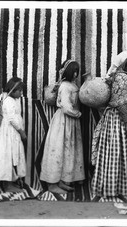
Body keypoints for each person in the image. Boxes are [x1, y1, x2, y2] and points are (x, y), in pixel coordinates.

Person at [91, 51, 127, 199]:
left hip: (111, 117)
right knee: (118, 150)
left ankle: (109, 185)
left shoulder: (114, 76)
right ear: (124, 63)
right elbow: (120, 104)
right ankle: (117, 189)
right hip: (119, 118)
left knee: (111, 152)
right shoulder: (122, 78)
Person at [40, 60, 85, 194]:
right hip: (64, 121)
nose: (76, 74)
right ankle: (52, 184)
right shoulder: (65, 86)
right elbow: (66, 107)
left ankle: (61, 181)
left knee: (67, 151)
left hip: (71, 123)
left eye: (77, 70)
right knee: (58, 150)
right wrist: (77, 114)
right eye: (74, 71)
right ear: (69, 72)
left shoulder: (71, 85)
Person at [0, 77, 27, 192]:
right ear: (13, 90)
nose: (21, 93)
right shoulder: (8, 101)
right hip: (9, 132)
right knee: (8, 156)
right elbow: (11, 119)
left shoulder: (6, 98)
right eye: (19, 91)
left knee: (12, 156)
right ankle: (7, 184)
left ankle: (13, 180)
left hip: (10, 132)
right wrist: (21, 132)